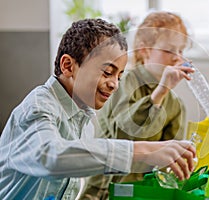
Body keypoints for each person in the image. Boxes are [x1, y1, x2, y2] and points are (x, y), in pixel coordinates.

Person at [0, 18, 196, 200]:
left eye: (118, 76)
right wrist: (141, 151)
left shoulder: (84, 123)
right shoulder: (38, 107)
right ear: (68, 66)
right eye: (107, 72)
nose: (114, 84)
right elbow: (49, 155)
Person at [80, 11, 193, 199]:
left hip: (142, 191)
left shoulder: (175, 104)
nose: (177, 58)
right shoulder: (125, 83)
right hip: (106, 188)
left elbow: (169, 160)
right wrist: (160, 92)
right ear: (144, 50)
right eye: (169, 50)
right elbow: (126, 131)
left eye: (181, 51)